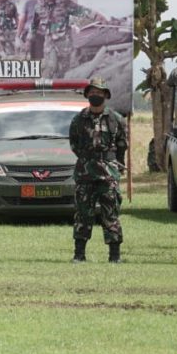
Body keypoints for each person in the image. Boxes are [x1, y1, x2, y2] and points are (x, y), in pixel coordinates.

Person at [68, 77, 127, 263]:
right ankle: (79, 255)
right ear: (87, 95)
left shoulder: (116, 119)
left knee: (110, 213)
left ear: (106, 95)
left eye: (99, 92)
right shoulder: (78, 119)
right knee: (83, 214)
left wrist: (113, 164)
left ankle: (114, 256)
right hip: (85, 173)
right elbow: (74, 144)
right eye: (92, 92)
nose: (95, 95)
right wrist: (89, 159)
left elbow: (122, 145)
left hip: (108, 174)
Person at [29, 0, 101, 78]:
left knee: (62, 72)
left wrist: (96, 16)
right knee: (50, 68)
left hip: (64, 44)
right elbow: (34, 23)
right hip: (49, 45)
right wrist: (30, 37)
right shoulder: (39, 7)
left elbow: (80, 10)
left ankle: (58, 88)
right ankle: (46, 89)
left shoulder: (64, 3)